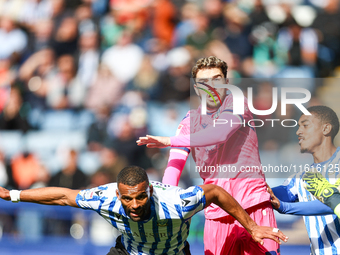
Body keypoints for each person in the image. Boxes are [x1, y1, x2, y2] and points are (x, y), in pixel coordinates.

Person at [137, 56, 280, 255]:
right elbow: (174, 166)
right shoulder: (189, 120)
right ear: (196, 88)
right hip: (216, 213)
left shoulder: (238, 102)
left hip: (252, 204)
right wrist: (165, 206)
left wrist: (170, 140)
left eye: (217, 79)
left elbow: (220, 134)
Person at [0, 165, 287, 255]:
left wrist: (251, 227)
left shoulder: (176, 202)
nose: (134, 205)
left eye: (140, 197)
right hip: (129, 251)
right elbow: (64, 196)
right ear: (118, 194)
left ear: (149, 191)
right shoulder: (107, 199)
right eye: (128, 199)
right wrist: (11, 194)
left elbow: (214, 192)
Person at [267, 105, 340, 255]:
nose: (298, 132)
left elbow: (333, 202)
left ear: (326, 129)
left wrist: (286, 207)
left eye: (305, 126)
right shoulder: (302, 176)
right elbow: (274, 194)